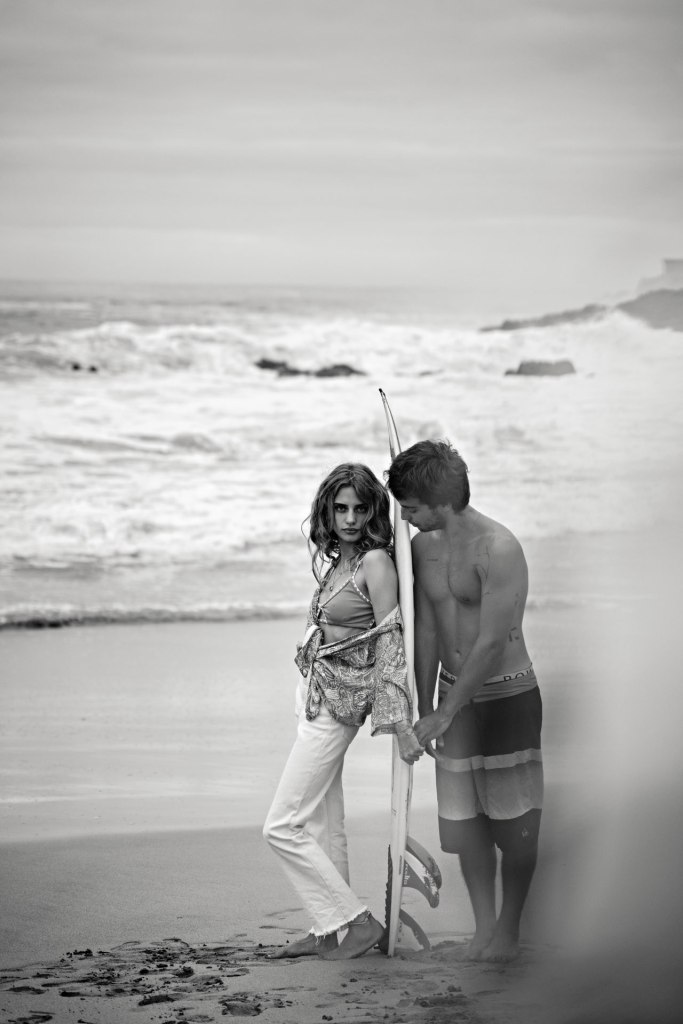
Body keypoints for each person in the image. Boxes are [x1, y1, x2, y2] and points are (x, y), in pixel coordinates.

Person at [387, 440, 543, 963]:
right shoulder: (421, 547)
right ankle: (483, 928)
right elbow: (428, 627)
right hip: (451, 703)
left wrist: (444, 712)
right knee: (466, 826)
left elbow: (492, 641)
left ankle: (510, 930)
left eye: (409, 507)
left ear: (439, 501)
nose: (403, 518)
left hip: (506, 699)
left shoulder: (499, 548)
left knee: (514, 826)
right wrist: (421, 707)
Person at [263, 463, 423, 961]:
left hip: (338, 706)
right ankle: (327, 925)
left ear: (375, 509)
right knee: (323, 825)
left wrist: (398, 723)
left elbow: (391, 644)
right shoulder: (341, 561)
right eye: (341, 508)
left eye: (360, 508)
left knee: (281, 825)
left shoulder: (374, 562)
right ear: (327, 511)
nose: (350, 518)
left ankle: (354, 922)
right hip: (315, 695)